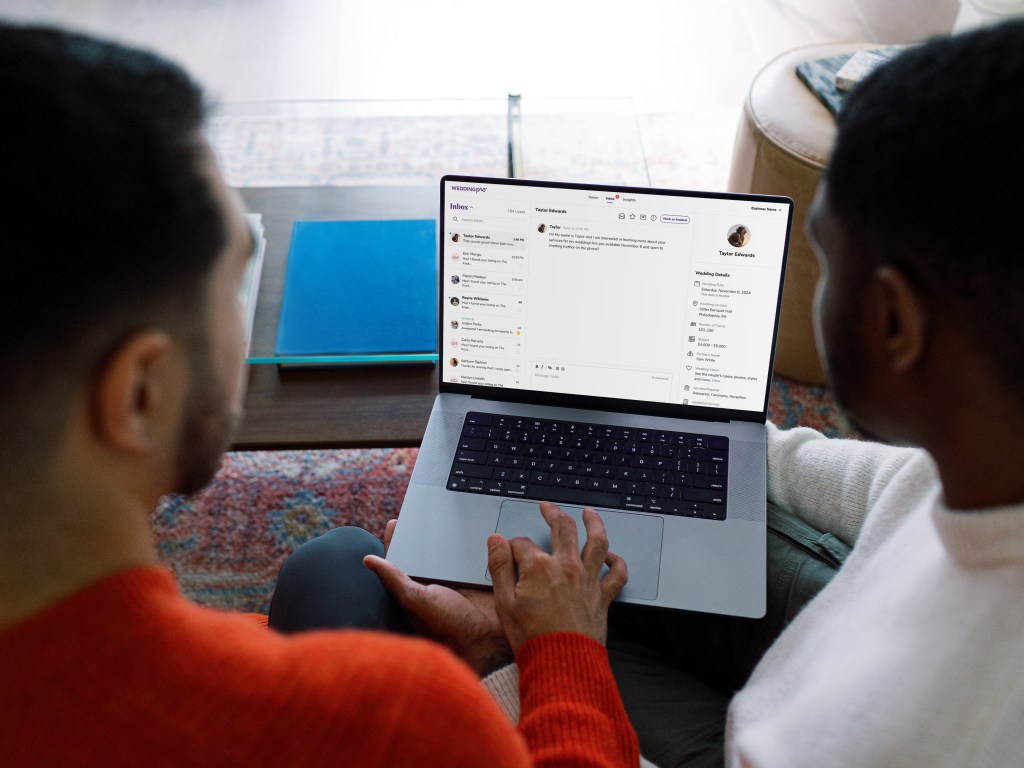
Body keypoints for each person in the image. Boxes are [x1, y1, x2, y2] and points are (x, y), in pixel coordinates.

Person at [0, 24, 640, 767]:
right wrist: (549, 652)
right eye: (239, 282)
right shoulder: (394, 716)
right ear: (141, 393)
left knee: (337, 562)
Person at [602, 19, 1024, 767]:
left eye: (825, 256)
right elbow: (899, 484)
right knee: (637, 528)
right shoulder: (991, 457)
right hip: (832, 661)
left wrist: (538, 661)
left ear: (893, 320)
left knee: (355, 576)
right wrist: (728, 441)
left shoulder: (905, 738)